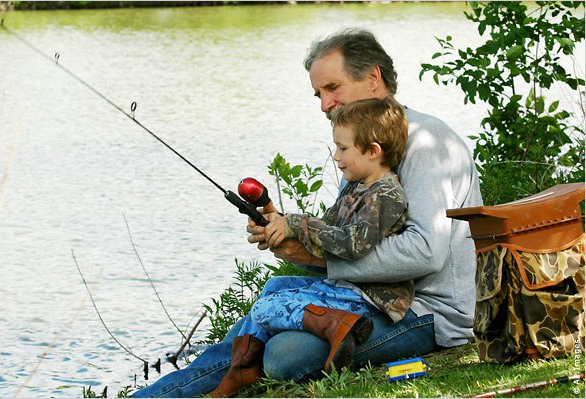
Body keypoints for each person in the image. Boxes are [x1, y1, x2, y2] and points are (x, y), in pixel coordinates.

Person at [133, 28, 482, 398]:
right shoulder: (362, 147)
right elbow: (349, 237)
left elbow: (426, 252)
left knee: (284, 356)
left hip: (428, 312)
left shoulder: (424, 141)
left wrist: (321, 256)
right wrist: (287, 231)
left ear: (373, 78)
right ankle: (168, 392)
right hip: (365, 297)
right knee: (269, 308)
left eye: (333, 87)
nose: (324, 104)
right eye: (319, 94)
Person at [210, 97, 413, 397]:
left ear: (373, 151)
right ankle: (243, 370)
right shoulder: (358, 186)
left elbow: (351, 245)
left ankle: (338, 327)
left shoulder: (387, 195)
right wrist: (279, 225)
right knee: (273, 289)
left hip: (371, 297)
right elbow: (326, 229)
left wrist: (297, 224)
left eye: (343, 149)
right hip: (349, 285)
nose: (336, 156)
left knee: (264, 308)